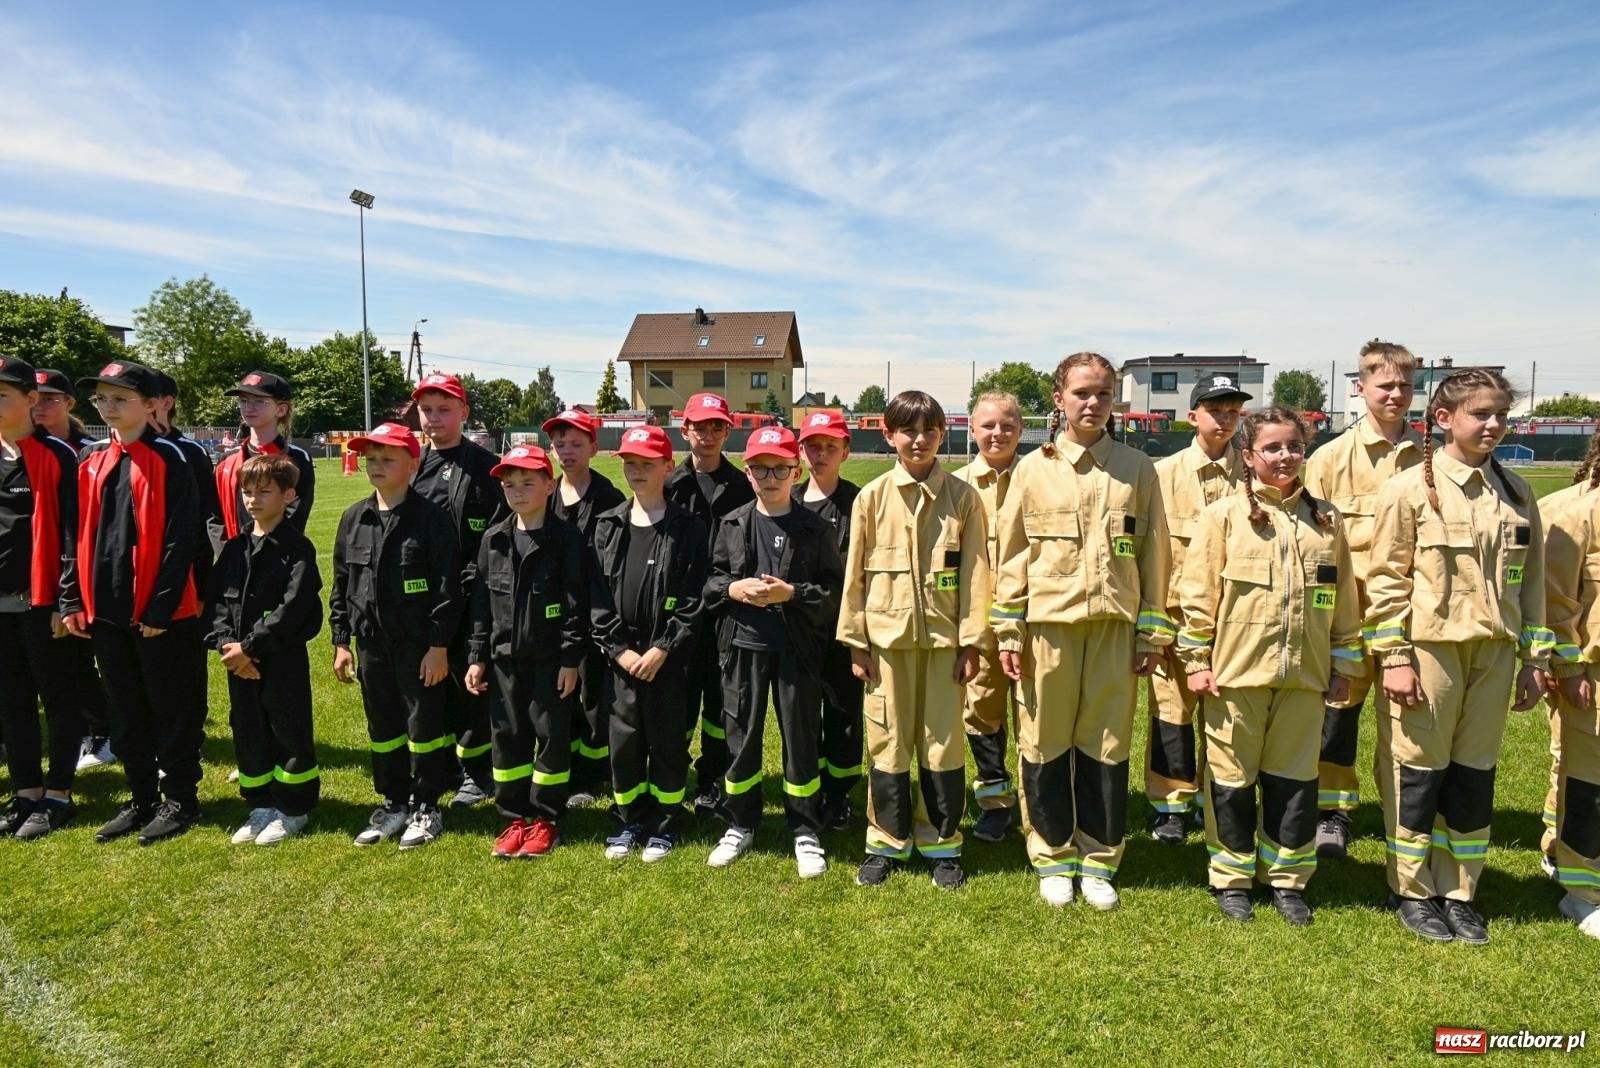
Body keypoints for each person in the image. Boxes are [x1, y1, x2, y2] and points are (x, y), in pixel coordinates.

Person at [1366, 369, 1551, 944]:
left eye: (1501, 414)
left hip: (1494, 655)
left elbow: (1533, 584)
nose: (1494, 424)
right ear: (1443, 420)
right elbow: (1386, 580)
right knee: (1417, 772)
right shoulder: (1407, 490)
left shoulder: (1518, 493)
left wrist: (1535, 659)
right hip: (1429, 653)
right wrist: (1393, 656)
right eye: (1481, 414)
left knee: (1473, 775)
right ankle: (1412, 889)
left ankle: (1459, 890)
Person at [992, 353, 1173, 910]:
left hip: (1114, 631)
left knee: (1106, 746)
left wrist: (1149, 636)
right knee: (1044, 742)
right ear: (1059, 399)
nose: (1092, 403)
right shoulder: (1031, 468)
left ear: (1113, 399)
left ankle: (1098, 858)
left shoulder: (1138, 468)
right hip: (1048, 628)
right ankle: (1052, 855)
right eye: (1081, 393)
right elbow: (1012, 553)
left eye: (1102, 393)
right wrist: (1007, 631)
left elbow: (1154, 555)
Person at [1177, 407, 1363, 925]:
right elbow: (1197, 597)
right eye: (1273, 448)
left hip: (1305, 677)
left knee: (1294, 783)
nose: (1285, 456)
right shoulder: (1223, 517)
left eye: (1294, 447)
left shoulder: (1326, 520)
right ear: (1249, 455)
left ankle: (1286, 879)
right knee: (1232, 782)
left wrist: (1343, 662)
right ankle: (1231, 878)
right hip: (1236, 677)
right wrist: (1195, 660)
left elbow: (1343, 602)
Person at [839, 390, 989, 890]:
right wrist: (856, 641)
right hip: (887, 646)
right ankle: (886, 841)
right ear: (889, 436)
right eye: (908, 430)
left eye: (929, 430)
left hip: (946, 645)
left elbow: (976, 575)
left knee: (942, 745)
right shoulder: (872, 498)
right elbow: (855, 576)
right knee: (888, 744)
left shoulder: (964, 499)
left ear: (943, 434)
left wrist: (972, 642)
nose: (918, 440)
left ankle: (942, 843)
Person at [59, 360, 203, 845]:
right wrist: (72, 597)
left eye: (120, 398)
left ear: (149, 405)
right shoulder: (91, 460)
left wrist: (160, 607)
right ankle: (141, 797)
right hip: (107, 612)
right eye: (102, 398)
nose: (108, 406)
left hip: (160, 614)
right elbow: (73, 535)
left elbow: (183, 539)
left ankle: (180, 798)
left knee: (171, 708)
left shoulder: (171, 457)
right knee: (125, 710)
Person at [704, 426, 844, 878]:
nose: (770, 476)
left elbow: (832, 593)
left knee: (800, 739)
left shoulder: (815, 528)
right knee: (741, 737)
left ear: (795, 471)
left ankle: (805, 827)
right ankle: (740, 821)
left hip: (796, 652)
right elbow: (710, 584)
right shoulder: (731, 524)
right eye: (760, 468)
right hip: (743, 648)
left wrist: (793, 593)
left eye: (780, 468)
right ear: (748, 473)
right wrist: (734, 587)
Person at [1302, 340, 1425, 858]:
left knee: (1414, 723)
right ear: (1361, 389)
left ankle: (1410, 816)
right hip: (1348, 616)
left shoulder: (1433, 459)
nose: (1395, 394)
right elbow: (1307, 540)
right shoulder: (1329, 459)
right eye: (1385, 385)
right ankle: (1332, 814)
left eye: (1404, 385)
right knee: (1337, 718)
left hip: (1411, 616)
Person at [329, 422, 462, 850]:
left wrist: (439, 647)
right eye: (371, 458)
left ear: (412, 463)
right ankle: (393, 801)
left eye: (388, 458)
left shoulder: (432, 521)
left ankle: (427, 805)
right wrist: (341, 641)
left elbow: (447, 590)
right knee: (383, 726)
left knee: (424, 726)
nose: (377, 466)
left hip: (418, 647)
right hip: (371, 646)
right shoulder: (354, 518)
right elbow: (341, 583)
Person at [589, 425, 708, 862]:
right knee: (625, 740)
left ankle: (665, 821)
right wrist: (618, 649)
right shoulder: (608, 526)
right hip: (622, 658)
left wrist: (663, 647)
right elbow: (596, 596)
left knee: (667, 740)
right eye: (629, 463)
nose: (636, 471)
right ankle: (629, 819)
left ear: (667, 466)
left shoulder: (689, 529)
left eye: (646, 463)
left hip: (667, 659)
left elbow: (696, 595)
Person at [464, 444, 585, 860]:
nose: (517, 490)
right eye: (509, 484)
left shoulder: (567, 540)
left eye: (528, 482)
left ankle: (546, 819)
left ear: (549, 486)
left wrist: (571, 659)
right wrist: (477, 656)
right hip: (503, 662)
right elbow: (481, 603)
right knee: (508, 738)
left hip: (551, 662)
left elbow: (575, 606)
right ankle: (515, 817)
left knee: (551, 737)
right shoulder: (493, 540)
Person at [1145, 373, 1251, 844]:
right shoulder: (1162, 475)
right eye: (1215, 410)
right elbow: (1150, 549)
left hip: (1233, 619)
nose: (1225, 418)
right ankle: (1170, 804)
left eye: (1233, 410)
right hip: (1175, 614)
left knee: (1225, 713)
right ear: (1193, 417)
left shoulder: (1251, 473)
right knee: (1171, 712)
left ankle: (1218, 793)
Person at [207, 453, 323, 846]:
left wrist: (251, 648)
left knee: (287, 728)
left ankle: (293, 807)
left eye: (264, 492)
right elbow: (218, 602)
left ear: (289, 495)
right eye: (247, 492)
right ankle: (259, 802)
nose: (253, 500)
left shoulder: (297, 549)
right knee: (248, 729)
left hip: (280, 659)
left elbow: (295, 609)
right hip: (237, 662)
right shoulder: (235, 547)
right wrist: (227, 645)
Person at [408, 373, 505, 809]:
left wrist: (469, 585)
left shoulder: (487, 469)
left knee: (473, 684)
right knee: (430, 685)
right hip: (421, 600)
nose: (434, 419)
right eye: (427, 410)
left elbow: (497, 539)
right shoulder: (410, 464)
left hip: (470, 595)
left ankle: (479, 772)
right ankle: (442, 764)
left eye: (444, 409)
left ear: (464, 413)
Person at [0, 354, 81, 840]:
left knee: (58, 695)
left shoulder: (57, 455)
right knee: (11, 700)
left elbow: (75, 535)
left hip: (42, 603)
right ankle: (26, 789)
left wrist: (64, 601)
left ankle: (59, 793)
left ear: (32, 401)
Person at [663, 393, 754, 819]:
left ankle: (712, 780)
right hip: (678, 611)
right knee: (677, 701)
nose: (709, 434)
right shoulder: (667, 485)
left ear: (727, 431)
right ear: (685, 430)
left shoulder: (742, 485)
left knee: (720, 705)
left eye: (717, 426)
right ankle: (670, 775)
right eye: (700, 426)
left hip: (725, 614)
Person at [30, 368, 114, 773]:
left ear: (69, 403)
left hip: (76, 570)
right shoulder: (18, 446)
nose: (42, 406)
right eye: (36, 397)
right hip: (30, 571)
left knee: (78, 659)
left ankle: (100, 732)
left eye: (51, 398)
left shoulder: (86, 450)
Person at [544, 409, 626, 807]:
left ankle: (594, 774)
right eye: (560, 444)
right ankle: (565, 761)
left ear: (594, 447)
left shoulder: (610, 498)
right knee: (560, 691)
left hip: (595, 612)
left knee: (595, 693)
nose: (568, 451)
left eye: (577, 444)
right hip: (555, 615)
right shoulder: (545, 494)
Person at [1537, 433, 1600, 939]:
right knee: (1586, 780)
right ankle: (1582, 891)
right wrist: (1568, 667)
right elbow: (1555, 603)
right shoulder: (1570, 513)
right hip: (1590, 672)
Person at [953, 392, 1023, 842]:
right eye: (988, 425)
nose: (997, 434)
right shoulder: (956, 486)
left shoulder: (1042, 479)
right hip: (980, 621)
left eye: (1008, 425)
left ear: (1021, 428)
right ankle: (995, 803)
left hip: (1036, 617)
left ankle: (1044, 803)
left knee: (1039, 716)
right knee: (981, 711)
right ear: (972, 429)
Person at [793, 409, 863, 828]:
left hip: (842, 630)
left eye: (830, 448)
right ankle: (808, 787)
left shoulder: (861, 502)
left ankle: (838, 795)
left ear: (846, 452)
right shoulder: (789, 498)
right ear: (801, 452)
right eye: (813, 447)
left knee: (843, 717)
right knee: (801, 715)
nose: (820, 455)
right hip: (799, 631)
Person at [210, 371, 315, 552]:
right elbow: (214, 516)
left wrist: (260, 556)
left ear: (281, 409)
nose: (249, 408)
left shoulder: (296, 459)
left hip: (279, 561)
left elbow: (296, 515)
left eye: (259, 401)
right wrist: (229, 554)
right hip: (233, 563)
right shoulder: (226, 460)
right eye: (243, 401)